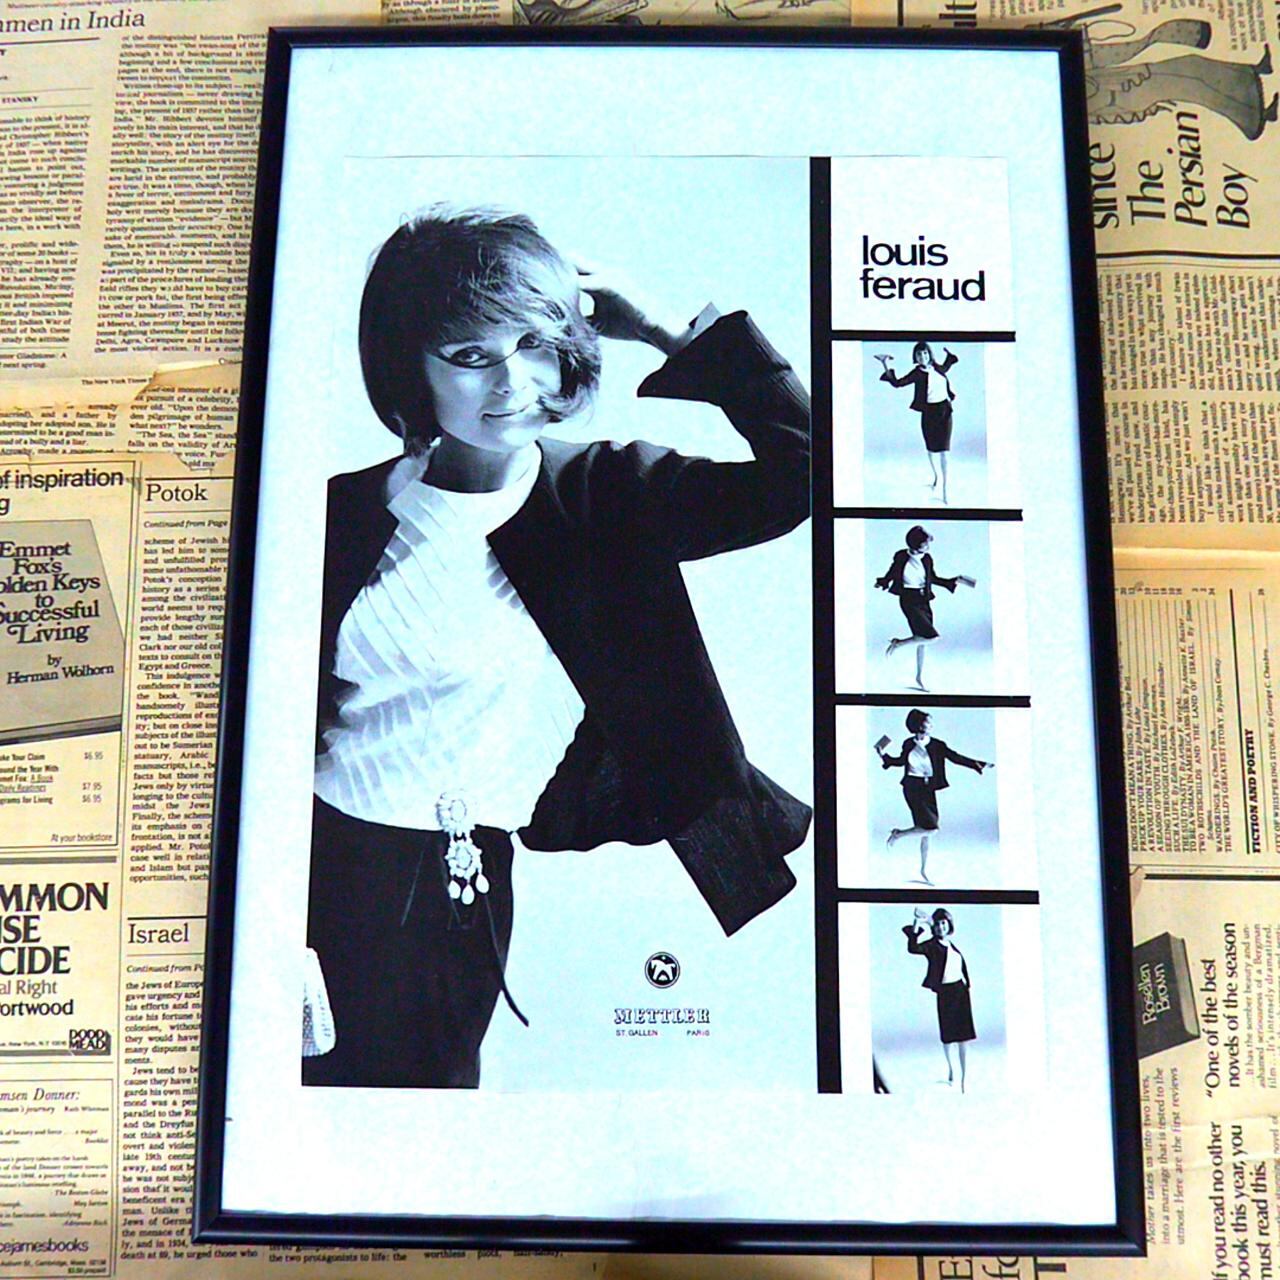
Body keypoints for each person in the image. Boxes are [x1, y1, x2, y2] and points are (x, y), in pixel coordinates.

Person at [301, 205, 812, 1089]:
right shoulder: (337, 515)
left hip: (467, 883)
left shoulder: (609, 495)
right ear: (409, 368)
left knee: (427, 1111)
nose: (512, 382)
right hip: (317, 866)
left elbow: (809, 472)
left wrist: (666, 332)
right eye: (470, 355)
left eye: (535, 343)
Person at [876, 710, 992, 885]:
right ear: (919, 725)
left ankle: (924, 871)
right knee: (931, 829)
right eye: (928, 722)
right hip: (912, 788)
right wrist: (883, 755)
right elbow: (900, 761)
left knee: (926, 832)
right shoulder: (908, 743)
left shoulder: (938, 744)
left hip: (928, 789)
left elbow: (955, 757)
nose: (931, 725)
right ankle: (898, 835)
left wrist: (978, 764)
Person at [875, 525, 975, 692]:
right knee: (932, 637)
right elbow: (892, 573)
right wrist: (883, 582)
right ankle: (898, 644)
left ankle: (919, 678)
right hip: (908, 600)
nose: (928, 547)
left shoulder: (927, 558)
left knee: (922, 640)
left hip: (924, 600)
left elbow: (932, 578)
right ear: (915, 545)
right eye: (925, 544)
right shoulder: (901, 556)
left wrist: (953, 581)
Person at [874, 342, 957, 504]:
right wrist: (884, 363)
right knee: (931, 449)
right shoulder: (917, 373)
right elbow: (898, 383)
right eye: (919, 354)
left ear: (929, 354)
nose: (923, 357)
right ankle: (937, 477)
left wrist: (949, 356)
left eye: (925, 353)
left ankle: (945, 490)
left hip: (945, 411)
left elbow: (946, 367)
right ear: (915, 357)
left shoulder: (937, 367)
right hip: (929, 413)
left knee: (945, 451)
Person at [903, 907, 975, 1092]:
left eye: (944, 923)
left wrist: (967, 984)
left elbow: (960, 966)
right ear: (934, 927)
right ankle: (952, 1070)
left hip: (961, 992)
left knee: (964, 1037)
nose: (941, 927)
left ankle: (965, 1078)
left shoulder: (951, 945)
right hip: (946, 993)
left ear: (949, 925)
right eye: (938, 924)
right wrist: (918, 923)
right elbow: (913, 948)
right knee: (948, 1036)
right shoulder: (933, 946)